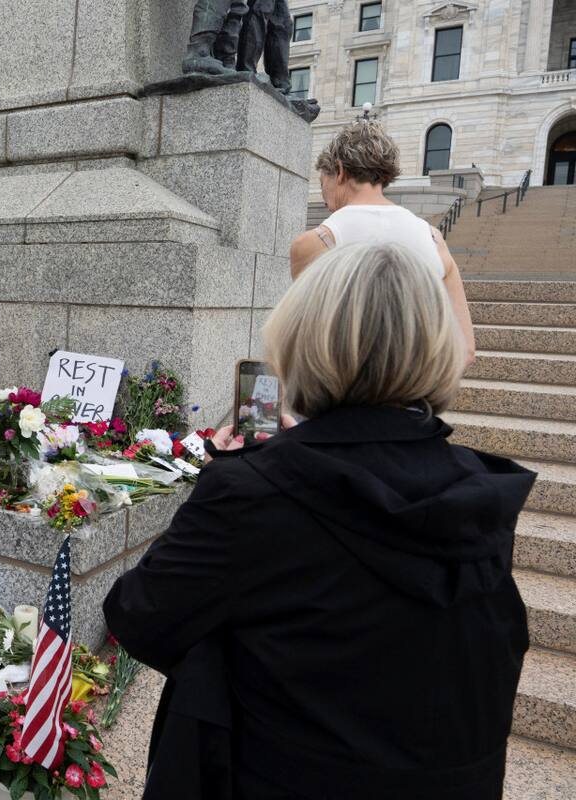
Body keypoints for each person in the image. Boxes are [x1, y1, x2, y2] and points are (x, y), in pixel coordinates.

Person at [104, 243, 534, 799]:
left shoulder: (253, 494)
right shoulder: (475, 489)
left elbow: (138, 614)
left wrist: (227, 487)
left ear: (304, 339)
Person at [290, 120, 477, 366]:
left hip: (344, 400)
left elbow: (308, 347)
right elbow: (465, 351)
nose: (322, 192)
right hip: (415, 398)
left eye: (322, 181)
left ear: (340, 171)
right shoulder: (433, 239)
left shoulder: (314, 243)